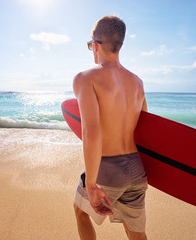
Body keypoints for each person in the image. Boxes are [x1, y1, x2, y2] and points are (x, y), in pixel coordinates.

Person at [73, 15, 148, 240]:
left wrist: (93, 182)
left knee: (80, 211)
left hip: (107, 169)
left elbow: (91, 132)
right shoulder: (137, 82)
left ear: (95, 45)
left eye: (90, 46)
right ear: (119, 45)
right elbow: (146, 130)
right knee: (135, 233)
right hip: (136, 169)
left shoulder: (86, 78)